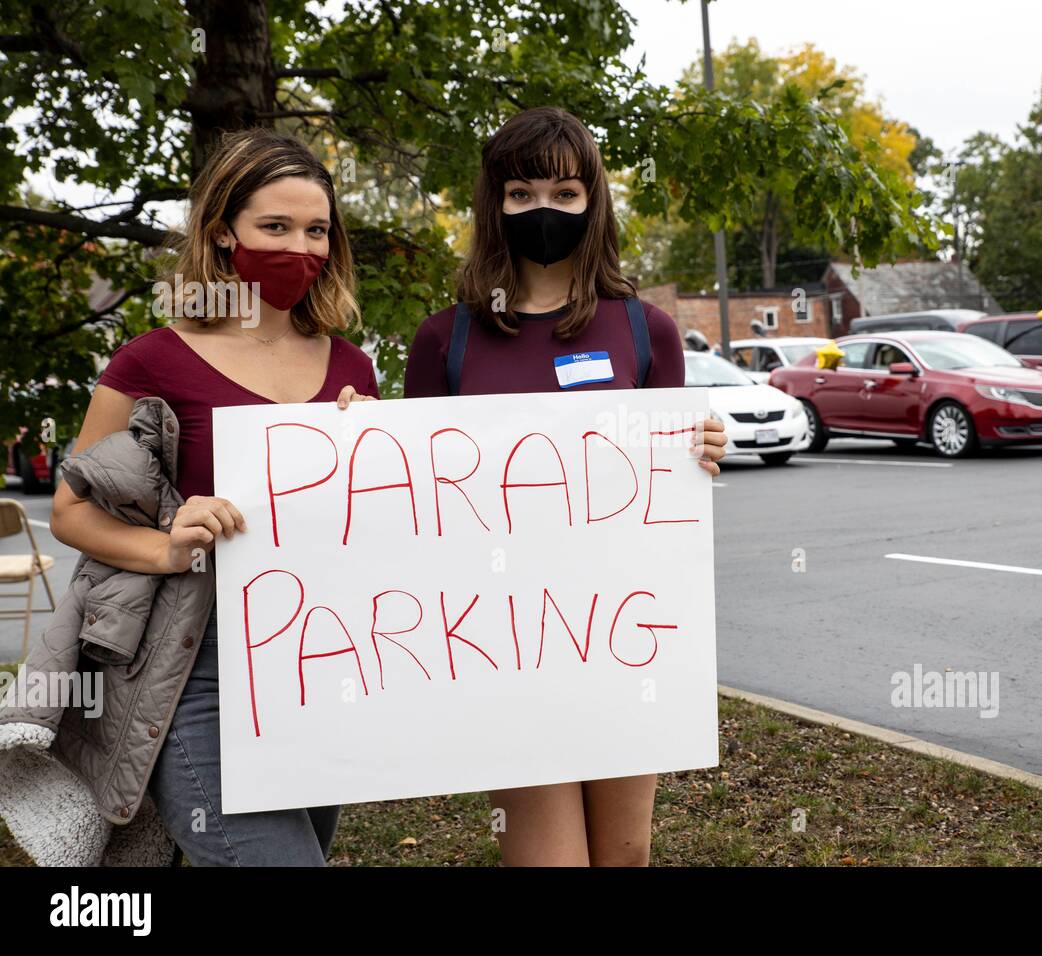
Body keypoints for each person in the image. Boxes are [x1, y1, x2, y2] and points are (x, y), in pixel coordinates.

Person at [405, 106, 728, 866]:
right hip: (506, 644)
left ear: (594, 203)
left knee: (627, 857)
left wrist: (701, 453)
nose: (541, 211)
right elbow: (413, 502)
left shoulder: (645, 330)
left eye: (563, 193)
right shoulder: (443, 340)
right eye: (519, 194)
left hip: (625, 635)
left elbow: (666, 493)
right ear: (494, 205)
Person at [48, 128, 379, 865]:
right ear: (225, 231)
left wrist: (372, 449)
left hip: (311, 669)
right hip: (192, 674)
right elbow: (73, 510)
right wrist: (166, 542)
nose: (302, 246)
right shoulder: (152, 359)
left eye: (317, 229)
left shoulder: (353, 365)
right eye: (276, 226)